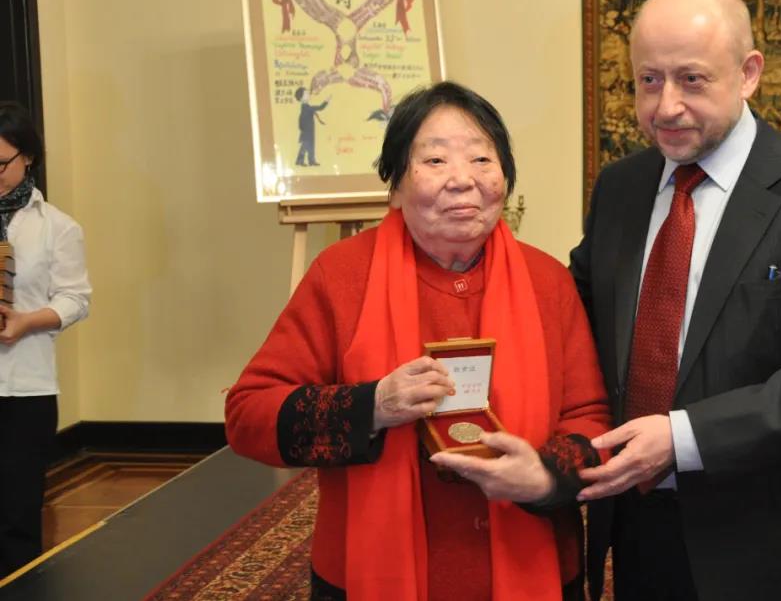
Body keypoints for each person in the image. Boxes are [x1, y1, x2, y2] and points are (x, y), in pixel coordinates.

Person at [569, 0, 781, 600]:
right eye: (648, 80)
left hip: (770, 539)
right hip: (638, 523)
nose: (665, 106)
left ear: (748, 74)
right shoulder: (620, 188)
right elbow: (574, 321)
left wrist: (683, 437)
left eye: (691, 80)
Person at [226, 81, 610, 600]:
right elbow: (248, 414)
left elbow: (590, 418)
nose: (462, 179)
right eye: (434, 160)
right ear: (395, 185)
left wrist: (544, 478)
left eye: (482, 159)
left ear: (504, 178)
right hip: (368, 570)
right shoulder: (342, 275)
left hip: (533, 562)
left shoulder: (548, 281)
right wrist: (371, 405)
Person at [0, 102, 91, 577]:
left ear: (29, 157)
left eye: (1, 163)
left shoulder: (56, 226)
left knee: (17, 515)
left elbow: (76, 299)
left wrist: (26, 321)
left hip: (26, 386)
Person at [294, 87, 329, 166]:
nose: (308, 94)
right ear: (301, 98)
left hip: (309, 130)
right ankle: (300, 161)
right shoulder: (306, 107)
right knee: (305, 146)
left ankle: (311, 160)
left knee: (310, 146)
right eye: (306, 93)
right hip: (307, 131)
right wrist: (326, 101)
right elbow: (320, 108)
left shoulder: (306, 107)